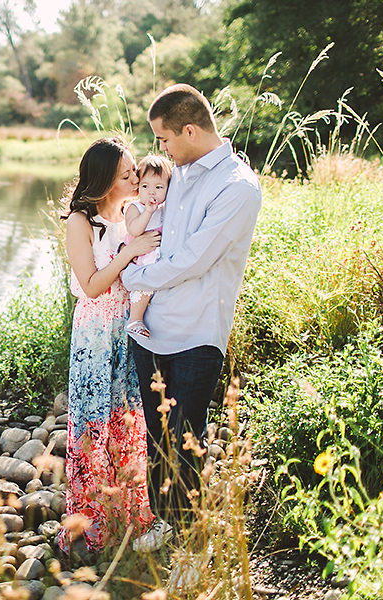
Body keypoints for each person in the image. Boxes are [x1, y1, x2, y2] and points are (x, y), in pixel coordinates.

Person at [122, 84, 262, 557]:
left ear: (189, 129)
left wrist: (131, 272)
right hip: (152, 327)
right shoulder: (176, 172)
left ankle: (191, 543)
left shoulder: (236, 186)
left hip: (198, 331)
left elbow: (194, 260)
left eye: (164, 139)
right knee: (156, 434)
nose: (160, 149)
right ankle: (165, 522)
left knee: (186, 437)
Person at [56, 137, 161, 556]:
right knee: (93, 424)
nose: (136, 178)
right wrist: (130, 252)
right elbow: (92, 286)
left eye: (135, 170)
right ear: (105, 181)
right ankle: (90, 524)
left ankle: (130, 517)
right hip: (96, 333)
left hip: (128, 329)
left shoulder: (134, 215)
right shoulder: (79, 222)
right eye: (127, 174)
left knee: (128, 421)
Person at [123, 155, 173, 338]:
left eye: (158, 187)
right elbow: (134, 229)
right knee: (143, 286)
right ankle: (134, 320)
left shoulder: (165, 208)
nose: (151, 193)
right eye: (145, 186)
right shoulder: (135, 207)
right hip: (142, 257)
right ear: (138, 187)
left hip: (157, 254)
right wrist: (148, 212)